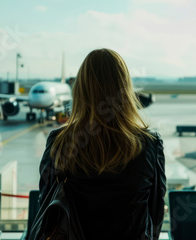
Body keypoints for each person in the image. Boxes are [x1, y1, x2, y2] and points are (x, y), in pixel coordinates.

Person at [38, 48, 166, 240]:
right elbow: (155, 216)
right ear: (125, 91)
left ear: (80, 90)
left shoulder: (59, 142)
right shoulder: (150, 145)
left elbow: (46, 205)